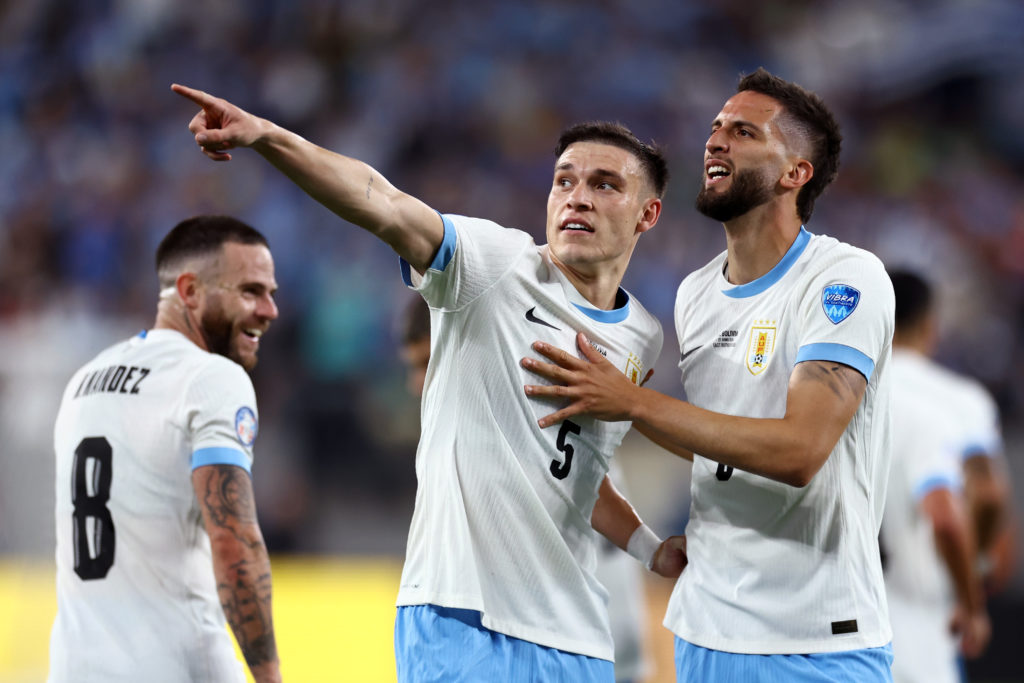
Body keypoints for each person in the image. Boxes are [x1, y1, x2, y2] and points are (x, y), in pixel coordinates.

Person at [172, 83, 686, 681]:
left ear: (648, 213)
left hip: (576, 637)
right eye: (564, 180)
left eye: (605, 184)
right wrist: (267, 135)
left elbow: (577, 475)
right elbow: (381, 202)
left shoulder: (642, 337)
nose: (578, 198)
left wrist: (651, 548)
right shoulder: (495, 264)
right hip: (461, 618)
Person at [522, 67, 896, 681]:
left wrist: (635, 405)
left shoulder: (842, 281)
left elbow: (800, 450)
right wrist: (613, 397)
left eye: (744, 132)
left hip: (816, 640)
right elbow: (712, 436)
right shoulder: (696, 293)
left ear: (794, 173)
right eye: (717, 127)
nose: (715, 140)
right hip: (704, 630)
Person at [49, 216, 282, 682]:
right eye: (250, 291)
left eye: (271, 293)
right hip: (173, 666)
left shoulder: (84, 380)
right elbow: (234, 543)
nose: (270, 310)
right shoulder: (211, 378)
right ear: (190, 291)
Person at [397, 295, 652, 683]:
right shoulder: (470, 441)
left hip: (565, 649)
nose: (418, 384)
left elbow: (612, 572)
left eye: (425, 362)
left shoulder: (546, 444)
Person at [881, 269, 999, 683]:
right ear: (930, 325)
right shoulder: (960, 402)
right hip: (921, 619)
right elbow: (986, 495)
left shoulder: (836, 395)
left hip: (835, 619)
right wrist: (974, 577)